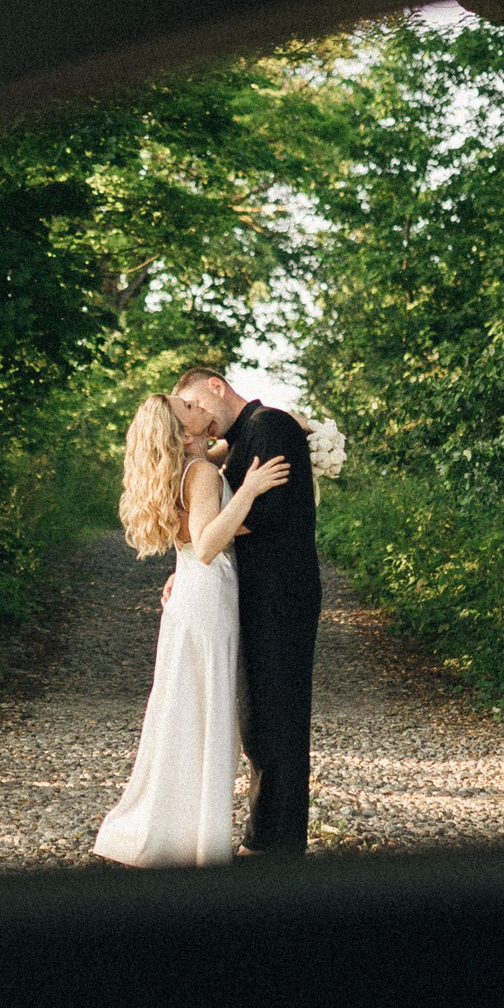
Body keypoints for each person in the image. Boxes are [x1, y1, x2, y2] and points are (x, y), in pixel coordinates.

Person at [93, 395, 291, 868]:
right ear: (184, 434)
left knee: (184, 712)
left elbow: (222, 456)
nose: (198, 404)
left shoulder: (192, 464)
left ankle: (172, 832)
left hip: (190, 596)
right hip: (206, 599)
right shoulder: (199, 472)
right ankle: (196, 841)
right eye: (187, 406)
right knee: (206, 714)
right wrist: (250, 489)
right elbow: (204, 545)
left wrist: (299, 428)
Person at [169, 366, 320, 855]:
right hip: (253, 591)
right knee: (258, 718)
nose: (197, 418)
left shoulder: (268, 425)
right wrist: (189, 557)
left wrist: (202, 538)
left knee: (277, 717)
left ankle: (275, 845)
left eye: (196, 404)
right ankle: (269, 837)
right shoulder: (240, 441)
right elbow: (204, 496)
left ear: (217, 386)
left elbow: (268, 513)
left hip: (281, 592)